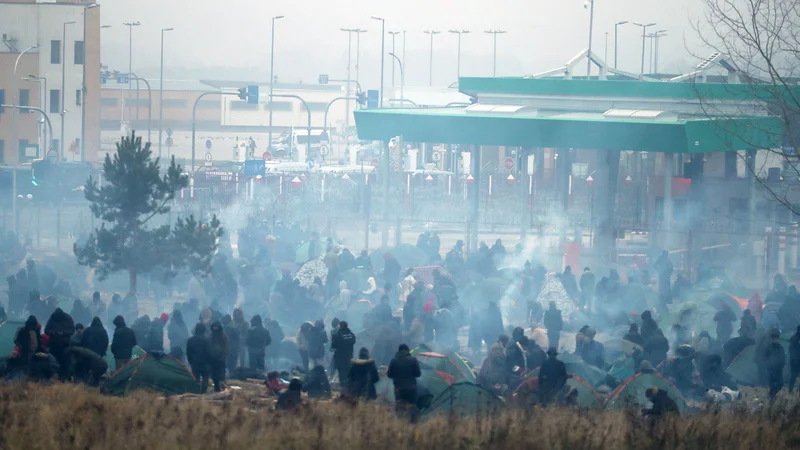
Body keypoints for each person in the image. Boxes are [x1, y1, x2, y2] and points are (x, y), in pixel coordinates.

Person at [387, 344, 422, 416]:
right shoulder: (413, 359)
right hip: (411, 388)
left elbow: (389, 375)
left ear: (399, 351)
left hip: (398, 389)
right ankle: (412, 424)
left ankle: (400, 424)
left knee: (400, 407)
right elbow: (418, 374)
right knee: (412, 407)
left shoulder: (394, 360)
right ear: (408, 350)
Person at [44, 307, 75, 380]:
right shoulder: (53, 318)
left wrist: (63, 333)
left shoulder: (68, 319)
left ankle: (63, 377)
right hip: (54, 344)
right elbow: (46, 330)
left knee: (63, 361)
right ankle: (54, 375)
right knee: (53, 360)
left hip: (64, 345)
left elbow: (72, 331)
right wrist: (53, 333)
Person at [187, 323, 212, 393]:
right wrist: (210, 362)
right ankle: (203, 393)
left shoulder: (190, 340)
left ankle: (195, 392)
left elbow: (188, 352)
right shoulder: (206, 340)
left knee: (195, 379)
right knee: (205, 378)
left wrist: (190, 361)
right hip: (205, 363)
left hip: (195, 363)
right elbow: (209, 352)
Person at [765, 329, 786, 400]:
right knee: (772, 385)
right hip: (771, 369)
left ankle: (772, 394)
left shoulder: (781, 347)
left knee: (781, 384)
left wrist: (783, 364)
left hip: (779, 368)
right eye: (774, 339)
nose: (775, 340)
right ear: (772, 339)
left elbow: (783, 356)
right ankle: (772, 397)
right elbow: (765, 357)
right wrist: (768, 365)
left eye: (776, 339)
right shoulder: (769, 347)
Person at [209, 321, 230, 392]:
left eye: (216, 326)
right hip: (212, 359)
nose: (215, 328)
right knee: (214, 375)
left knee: (221, 375)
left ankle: (223, 389)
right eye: (214, 326)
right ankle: (217, 388)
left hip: (221, 359)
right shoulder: (211, 335)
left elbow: (226, 347)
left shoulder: (224, 336)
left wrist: (223, 355)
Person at [790, 325, 800, 392]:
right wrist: (795, 359)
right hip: (795, 361)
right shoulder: (794, 338)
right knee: (793, 376)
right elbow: (791, 350)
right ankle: (790, 390)